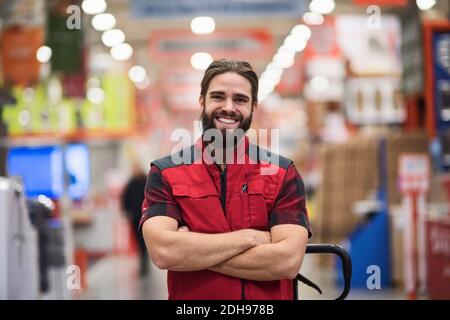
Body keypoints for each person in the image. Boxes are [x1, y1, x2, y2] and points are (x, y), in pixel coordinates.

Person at [140, 59, 312, 299]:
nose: (228, 107)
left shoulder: (282, 174)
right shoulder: (166, 172)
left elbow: (287, 261)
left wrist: (190, 251)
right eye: (218, 97)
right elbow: (164, 252)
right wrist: (250, 238)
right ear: (202, 101)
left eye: (240, 99)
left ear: (253, 106)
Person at [121, 163, 149, 276]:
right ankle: (143, 262)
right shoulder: (130, 183)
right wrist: (126, 211)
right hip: (135, 216)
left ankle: (145, 262)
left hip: (146, 216)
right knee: (138, 241)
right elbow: (125, 198)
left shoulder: (147, 182)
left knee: (145, 240)